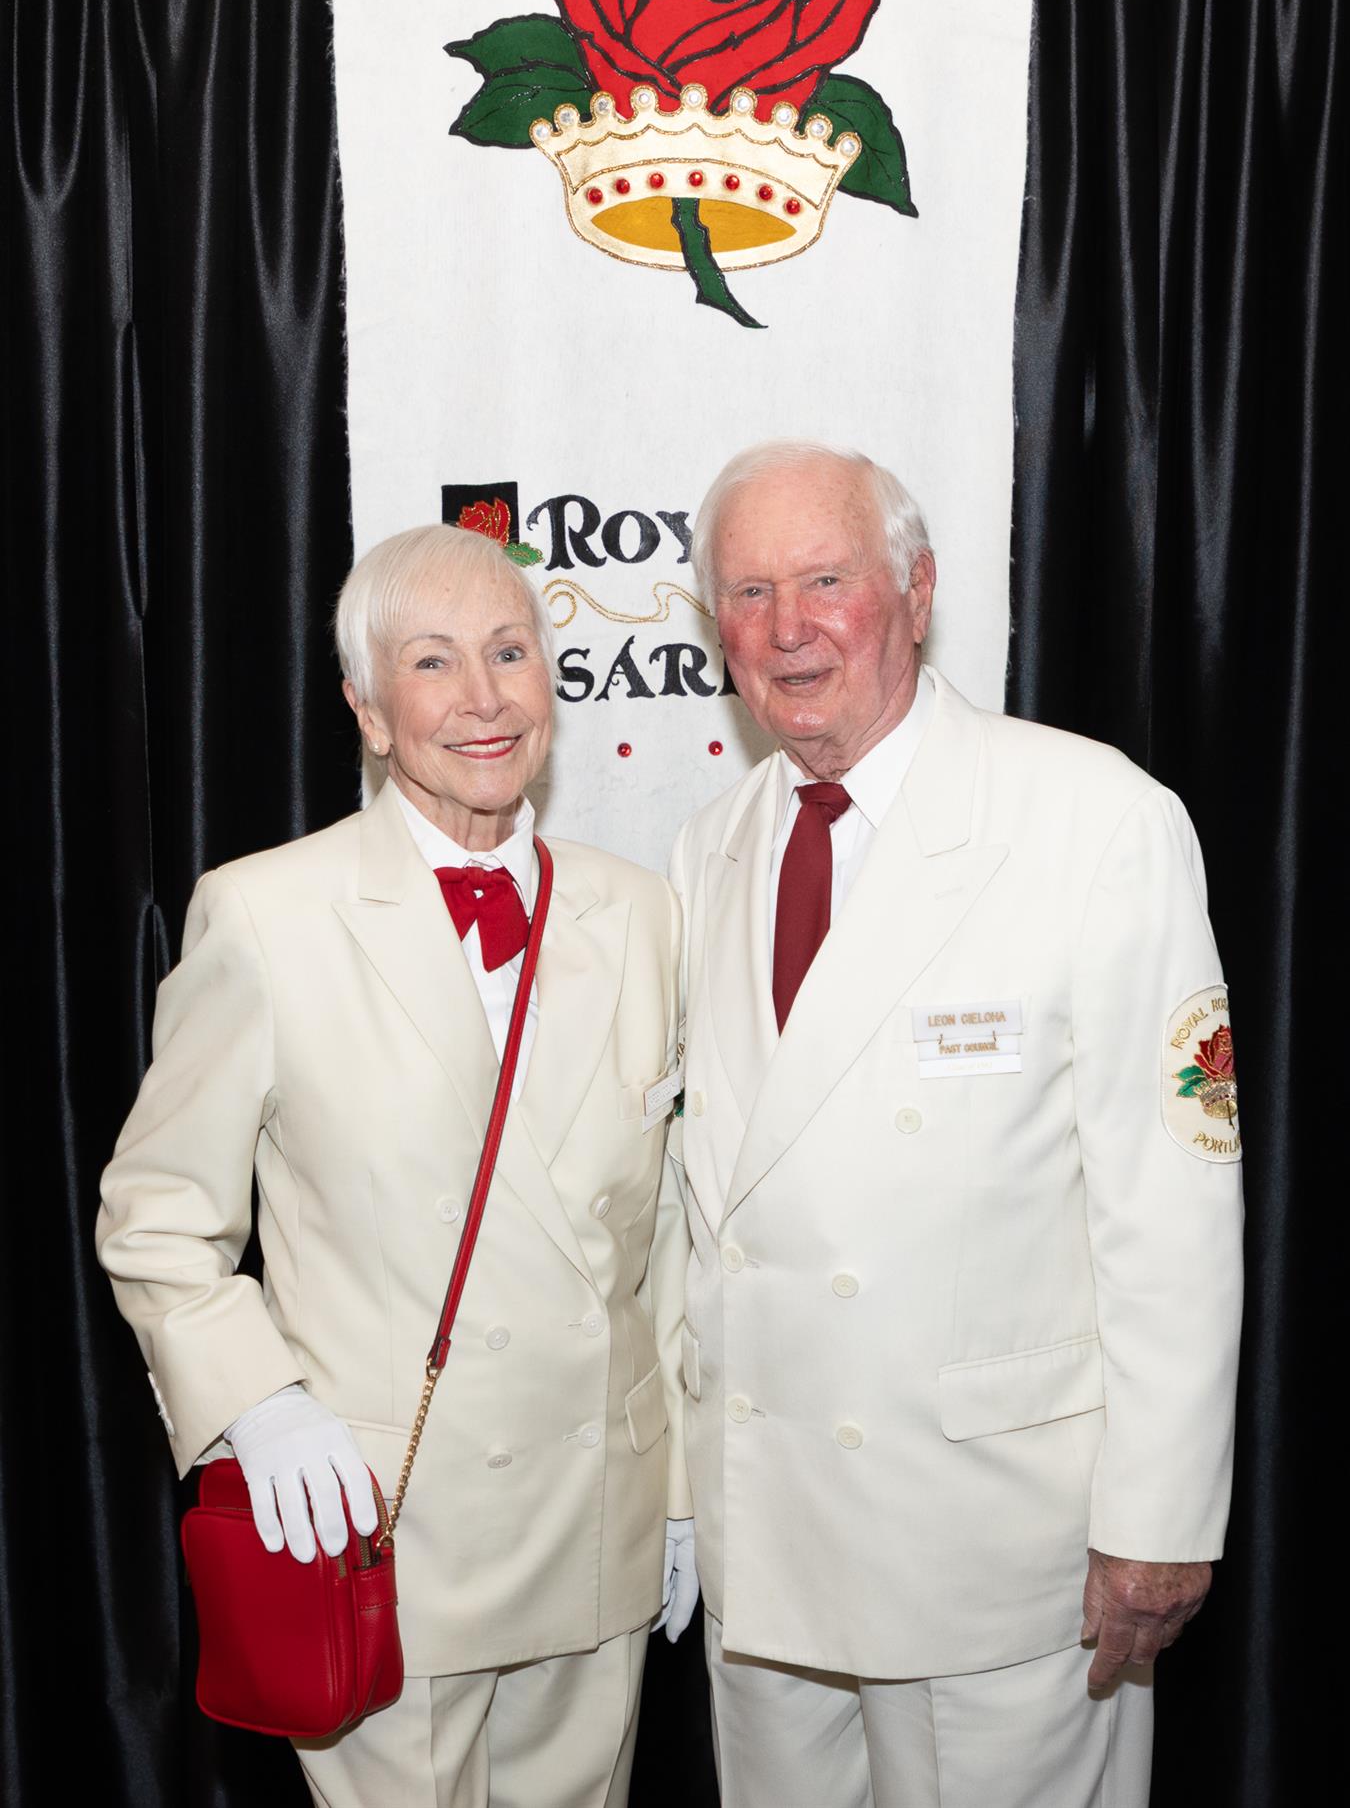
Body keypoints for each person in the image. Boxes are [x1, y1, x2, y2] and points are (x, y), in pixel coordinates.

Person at [667, 441, 1244, 1808]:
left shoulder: (1091, 818)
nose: (788, 628)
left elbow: (1171, 1203)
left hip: (996, 1553)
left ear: (917, 592)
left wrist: (1159, 1515)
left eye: (826, 580)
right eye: (749, 592)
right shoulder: (713, 848)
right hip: (769, 1541)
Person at [97, 522, 698, 1808]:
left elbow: (671, 1239)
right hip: (382, 1525)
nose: (483, 698)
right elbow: (156, 1219)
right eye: (432, 662)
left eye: (510, 653)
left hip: (598, 1514)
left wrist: (685, 1485)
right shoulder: (267, 913)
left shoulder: (643, 912)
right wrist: (259, 1407)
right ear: (369, 713)